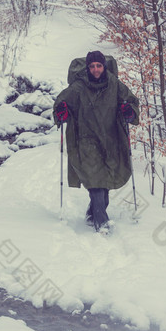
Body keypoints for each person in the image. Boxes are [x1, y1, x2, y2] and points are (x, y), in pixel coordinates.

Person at [54, 50, 139, 232]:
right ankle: (102, 222)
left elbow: (131, 100)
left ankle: (93, 213)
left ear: (104, 66)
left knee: (105, 178)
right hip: (86, 139)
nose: (95, 69)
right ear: (88, 68)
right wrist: (61, 111)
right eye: (92, 66)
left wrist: (129, 111)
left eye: (99, 65)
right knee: (95, 179)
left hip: (110, 138)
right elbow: (62, 101)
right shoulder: (79, 86)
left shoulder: (114, 84)